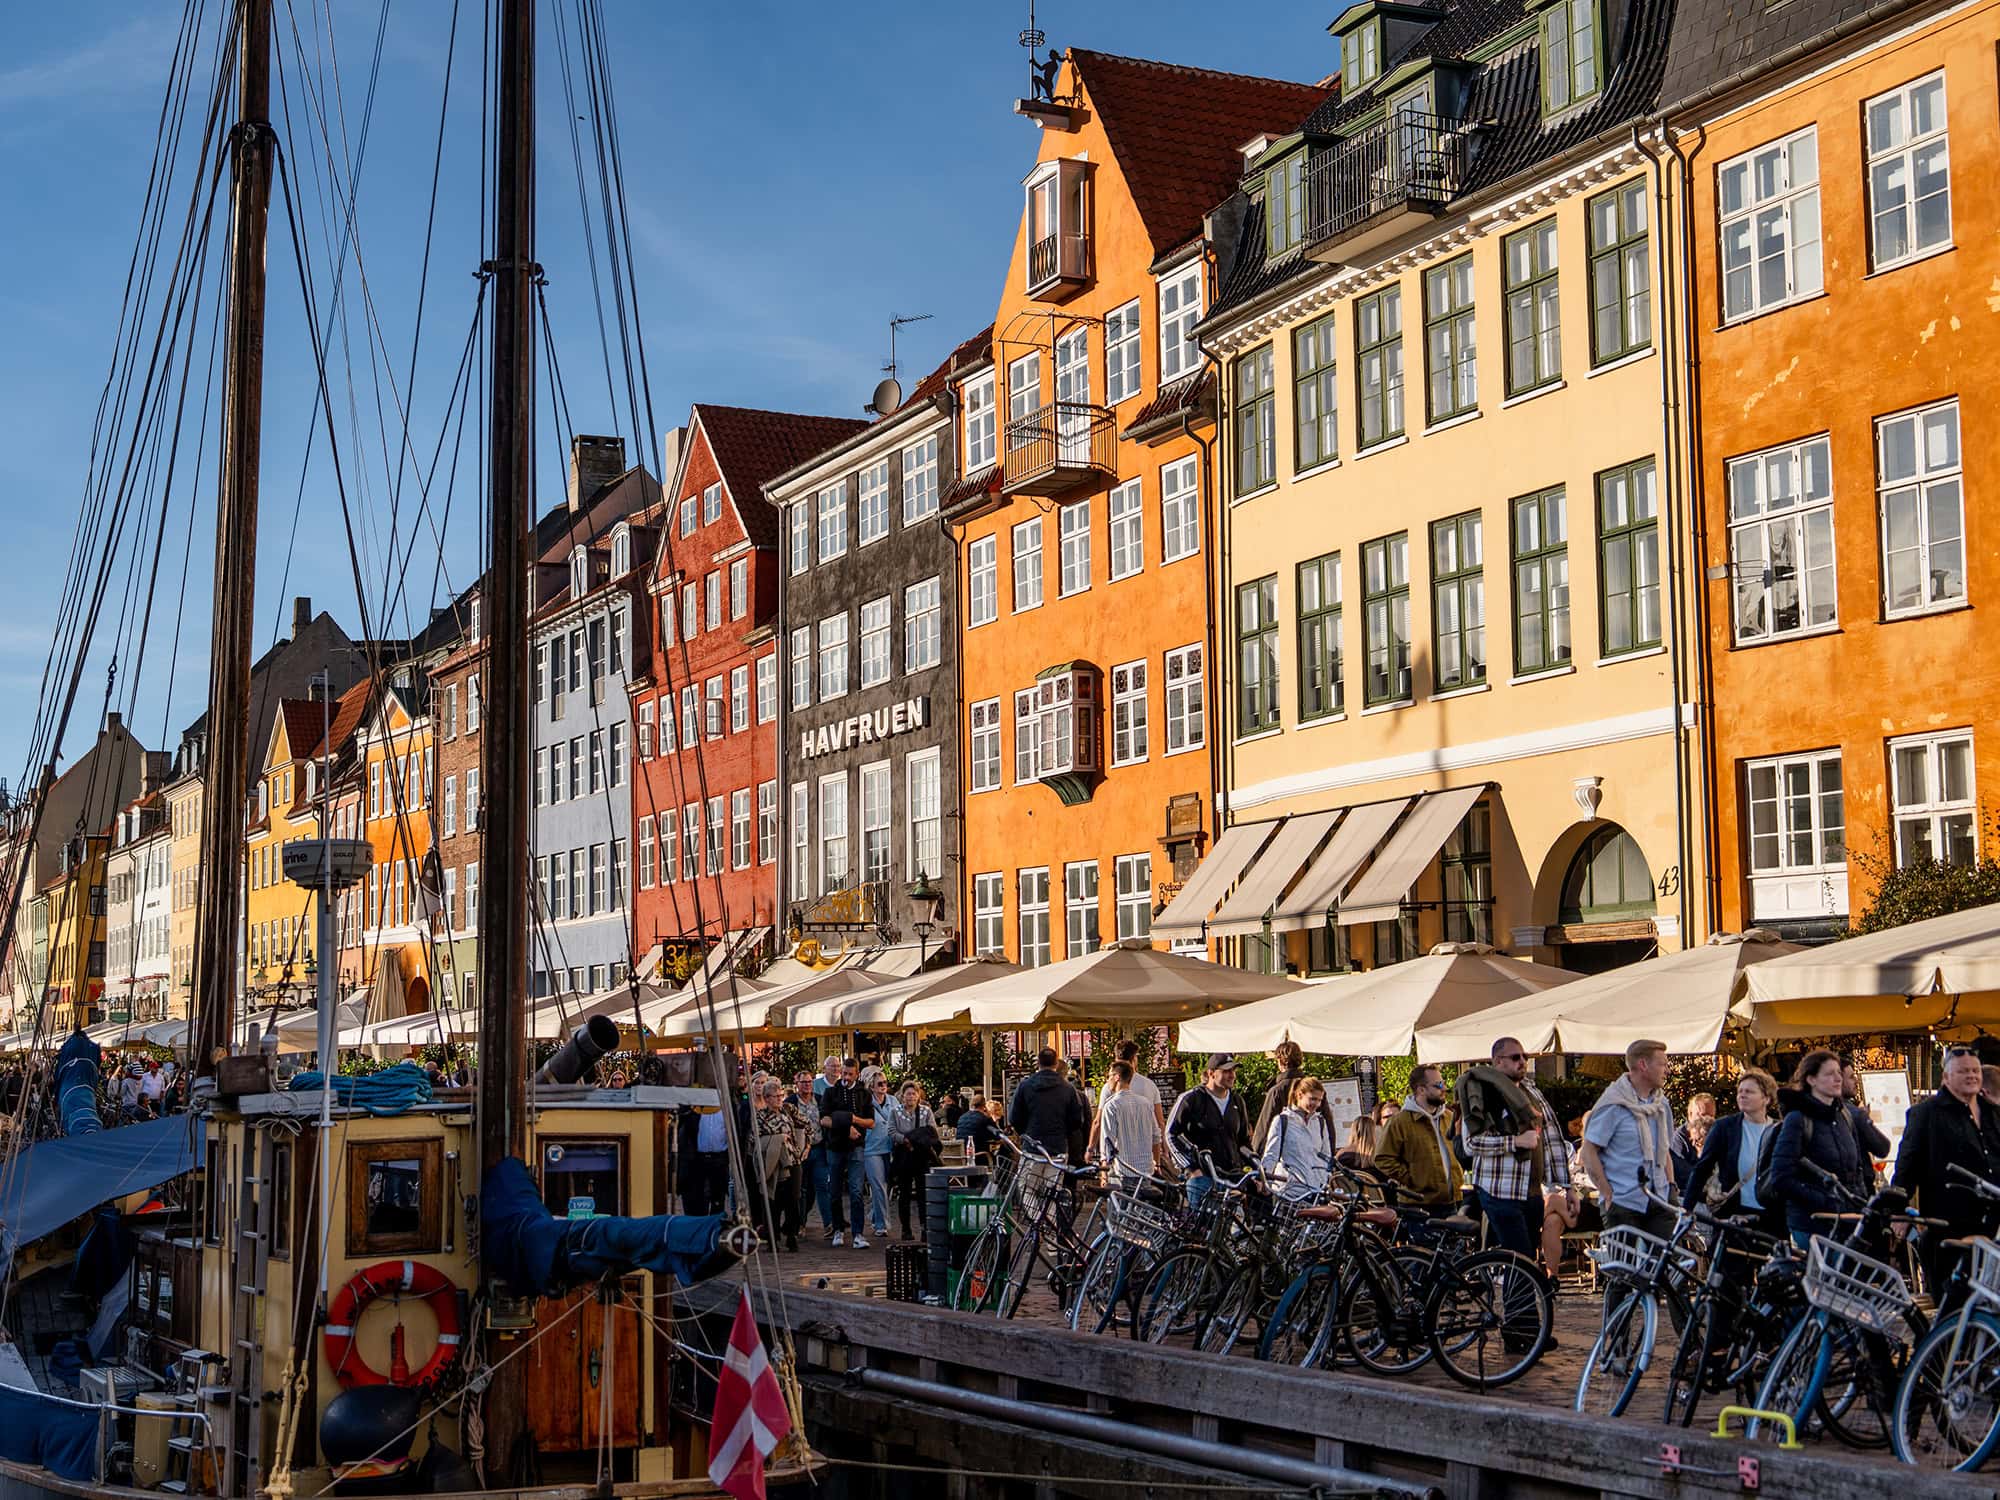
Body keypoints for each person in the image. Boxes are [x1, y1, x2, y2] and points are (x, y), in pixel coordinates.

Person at [1458, 1037, 1576, 1272]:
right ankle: (1524, 1309)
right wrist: (1515, 1141)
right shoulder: (1483, 1091)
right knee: (1519, 1257)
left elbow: (1552, 1139)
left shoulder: (1531, 1091)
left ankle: (1523, 1307)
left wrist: (1567, 1186)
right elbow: (1471, 1143)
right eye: (1515, 1057)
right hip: (1500, 1189)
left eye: (1525, 1057)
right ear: (1498, 1061)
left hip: (1531, 1191)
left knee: (1527, 1257)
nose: (1522, 1062)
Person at [1894, 1048, 2000, 1294]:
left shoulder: (1992, 1111)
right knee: (1953, 1297)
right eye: (1963, 1071)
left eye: (1975, 1070)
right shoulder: (1926, 1113)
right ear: (1946, 1076)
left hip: (1992, 1221)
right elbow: (1907, 1162)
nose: (1971, 1076)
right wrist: (1898, 1207)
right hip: (1949, 1220)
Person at [1767, 1050, 1868, 1248]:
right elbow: (1781, 1177)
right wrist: (1824, 1199)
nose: (1838, 1078)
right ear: (1811, 1079)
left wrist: (1860, 1199)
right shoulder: (1797, 1119)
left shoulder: (1844, 1117)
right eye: (1830, 1074)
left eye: (1839, 1072)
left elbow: (1857, 1168)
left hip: (1846, 1222)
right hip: (1811, 1225)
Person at [1579, 1039, 1678, 1242]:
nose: (1667, 1070)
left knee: (1664, 1269)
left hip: (1659, 1197)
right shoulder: (1613, 1104)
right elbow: (1588, 1151)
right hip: (1624, 1200)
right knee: (1625, 1270)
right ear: (1643, 1065)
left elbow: (1664, 1148)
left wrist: (1671, 1187)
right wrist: (1607, 1193)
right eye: (1662, 1064)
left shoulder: (1661, 1105)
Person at [1683, 1067, 1782, 1237]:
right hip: (1733, 1216)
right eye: (1740, 1091)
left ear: (1766, 1098)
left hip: (1771, 1218)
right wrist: (1686, 1209)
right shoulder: (1724, 1127)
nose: (1742, 1095)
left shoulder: (1778, 1130)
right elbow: (1702, 1168)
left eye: (1749, 1092)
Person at [1374, 1064, 1463, 1210]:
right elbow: (1382, 1158)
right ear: (1421, 1089)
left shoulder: (1449, 1117)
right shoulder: (1400, 1122)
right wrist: (1412, 1178)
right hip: (1418, 1204)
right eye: (1438, 1085)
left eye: (1444, 1083)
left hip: (1453, 1200)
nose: (1444, 1088)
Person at [1166, 1055, 1250, 1208]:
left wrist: (1254, 1172)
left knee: (1231, 1228)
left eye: (1233, 1070)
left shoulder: (1237, 1101)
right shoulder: (1192, 1099)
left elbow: (1244, 1141)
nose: (1232, 1075)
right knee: (1203, 1228)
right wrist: (1192, 1169)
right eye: (1226, 1071)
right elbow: (1171, 1134)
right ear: (1211, 1073)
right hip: (1203, 1178)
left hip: (1232, 1178)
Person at [677, 1075, 753, 1217]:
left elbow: (738, 1131)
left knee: (718, 1202)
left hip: (719, 1161)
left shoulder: (728, 1105)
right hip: (696, 1160)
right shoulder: (693, 1104)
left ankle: (713, 1232)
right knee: (697, 1204)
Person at [816, 1057, 872, 1247]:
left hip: (856, 1147)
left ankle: (858, 1233)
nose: (846, 1077)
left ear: (857, 1073)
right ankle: (838, 1229)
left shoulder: (864, 1094)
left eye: (850, 1074)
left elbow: (871, 1122)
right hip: (835, 1146)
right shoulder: (831, 1093)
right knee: (835, 1190)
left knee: (856, 1191)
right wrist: (846, 1126)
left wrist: (853, 1119)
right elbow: (824, 1119)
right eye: (844, 1073)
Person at [1260, 1076, 1334, 1200]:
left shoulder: (1320, 1122)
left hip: (1315, 1190)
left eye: (1319, 1100)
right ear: (1300, 1095)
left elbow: (1326, 1155)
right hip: (1288, 1191)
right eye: (1312, 1099)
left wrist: (1325, 1178)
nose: (1316, 1104)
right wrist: (1264, 1180)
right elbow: (1271, 1154)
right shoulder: (1282, 1120)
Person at [1252, 1042, 1332, 1153]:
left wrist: (1255, 1154)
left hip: (1285, 1155)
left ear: (1280, 1061)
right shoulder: (1314, 1088)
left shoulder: (1277, 1091)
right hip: (1313, 1154)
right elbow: (1328, 1124)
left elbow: (1264, 1128)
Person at [1089, 1040, 1164, 1157]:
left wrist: (1090, 1148)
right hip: (1146, 1153)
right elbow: (1159, 1123)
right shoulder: (1149, 1085)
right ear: (1134, 1059)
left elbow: (1098, 1122)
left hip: (1117, 1155)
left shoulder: (1109, 1087)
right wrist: (1164, 1150)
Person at [1009, 1049, 1086, 1162]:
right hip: (1057, 1148)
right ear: (1056, 1063)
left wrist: (1027, 1132)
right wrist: (1062, 1132)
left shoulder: (1025, 1086)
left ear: (1038, 1063)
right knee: (1053, 1179)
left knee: (1029, 1179)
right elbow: (1077, 1120)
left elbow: (1014, 1118)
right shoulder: (1068, 1089)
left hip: (1032, 1147)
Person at [753, 1079, 801, 1250]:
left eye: (781, 1095)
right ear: (766, 1098)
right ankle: (772, 1237)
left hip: (792, 1160)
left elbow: (806, 1125)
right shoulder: (760, 1116)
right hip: (772, 1163)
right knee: (772, 1200)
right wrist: (778, 1139)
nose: (780, 1099)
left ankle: (792, 1233)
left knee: (793, 1198)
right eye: (776, 1096)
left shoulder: (789, 1110)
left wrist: (803, 1147)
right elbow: (755, 1140)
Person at [889, 1081, 941, 1240]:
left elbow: (932, 1131)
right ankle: (905, 1228)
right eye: (908, 1094)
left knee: (923, 1193)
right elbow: (891, 1131)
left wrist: (918, 1141)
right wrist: (905, 1139)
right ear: (902, 1096)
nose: (910, 1097)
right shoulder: (895, 1112)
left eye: (913, 1094)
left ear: (918, 1096)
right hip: (903, 1156)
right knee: (904, 1193)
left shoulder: (926, 1111)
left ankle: (925, 1228)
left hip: (921, 1156)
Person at [1099, 1061, 1163, 1184]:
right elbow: (1156, 1136)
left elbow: (1108, 1142)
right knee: (1142, 1202)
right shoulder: (1146, 1103)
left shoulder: (1112, 1106)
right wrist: (1157, 1164)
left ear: (1117, 1077)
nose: (1108, 1080)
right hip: (1145, 1169)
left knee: (1120, 1202)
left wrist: (1103, 1173)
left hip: (1122, 1170)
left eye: (1109, 1076)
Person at [857, 1069, 897, 1245]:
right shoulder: (865, 1102)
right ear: (871, 1086)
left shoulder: (893, 1101)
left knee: (887, 1186)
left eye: (885, 1083)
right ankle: (881, 1225)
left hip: (891, 1148)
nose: (883, 1086)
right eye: (879, 1084)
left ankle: (874, 1214)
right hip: (871, 1149)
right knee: (878, 1186)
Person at [1670, 1093, 1717, 1190]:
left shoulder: (1717, 1134)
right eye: (1703, 1115)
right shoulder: (1679, 1139)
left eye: (1711, 1116)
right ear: (1690, 1114)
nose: (1706, 1120)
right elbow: (1684, 1174)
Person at [1054, 1058, 1092, 1164]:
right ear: (1066, 1074)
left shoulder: (1042, 1095)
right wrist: (1086, 1148)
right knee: (1070, 1179)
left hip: (1049, 1149)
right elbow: (1086, 1125)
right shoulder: (1079, 1095)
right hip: (1073, 1147)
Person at [958, 1094, 1004, 1165]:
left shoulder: (961, 1118)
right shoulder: (984, 1118)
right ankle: (999, 1175)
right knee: (1003, 1154)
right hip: (978, 1156)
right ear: (984, 1106)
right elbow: (997, 1136)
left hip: (962, 1156)